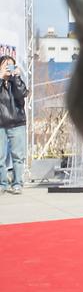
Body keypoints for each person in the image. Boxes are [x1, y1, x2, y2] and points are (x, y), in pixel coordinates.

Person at [0, 55, 27, 195]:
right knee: (0, 157)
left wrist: (16, 77)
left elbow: (22, 94)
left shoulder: (16, 81)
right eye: (6, 65)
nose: (8, 69)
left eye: (11, 65)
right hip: (1, 124)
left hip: (17, 122)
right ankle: (2, 184)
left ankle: (17, 184)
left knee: (18, 156)